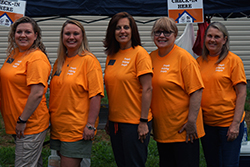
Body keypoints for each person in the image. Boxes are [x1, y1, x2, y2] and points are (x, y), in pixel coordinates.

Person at [150, 17, 205, 167]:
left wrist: (192, 122)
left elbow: (196, 91)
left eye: (167, 32)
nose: (162, 36)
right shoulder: (150, 58)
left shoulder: (184, 58)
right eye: (158, 32)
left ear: (175, 35)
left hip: (184, 129)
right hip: (163, 129)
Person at [49, 20, 104, 167]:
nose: (71, 37)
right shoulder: (59, 62)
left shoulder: (89, 61)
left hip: (76, 130)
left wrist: (91, 125)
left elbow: (96, 95)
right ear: (62, 37)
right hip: (58, 127)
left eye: (75, 34)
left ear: (82, 37)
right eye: (67, 33)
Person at [103, 12, 153, 167]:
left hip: (135, 122)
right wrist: (110, 118)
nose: (122, 31)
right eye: (118, 28)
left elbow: (148, 88)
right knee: (121, 163)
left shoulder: (140, 53)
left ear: (133, 31)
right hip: (116, 122)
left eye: (126, 27)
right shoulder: (111, 55)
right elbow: (115, 89)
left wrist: (143, 122)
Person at [0, 16, 51, 166]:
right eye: (19, 31)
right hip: (18, 123)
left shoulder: (36, 58)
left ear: (35, 35)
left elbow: (37, 93)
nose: (22, 35)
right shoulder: (15, 54)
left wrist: (22, 120)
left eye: (27, 32)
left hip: (29, 124)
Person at [197, 22, 247, 167]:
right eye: (209, 36)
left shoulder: (233, 61)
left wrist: (235, 124)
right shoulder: (199, 62)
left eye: (217, 37)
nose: (212, 40)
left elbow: (242, 93)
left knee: (229, 164)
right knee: (213, 163)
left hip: (228, 124)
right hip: (207, 125)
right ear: (204, 38)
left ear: (224, 40)